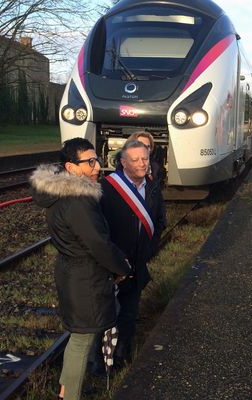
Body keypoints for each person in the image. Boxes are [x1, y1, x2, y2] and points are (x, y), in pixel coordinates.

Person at [30, 138, 131, 400]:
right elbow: (98, 243)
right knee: (82, 340)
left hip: (73, 273)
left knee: (78, 335)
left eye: (96, 159)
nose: (97, 166)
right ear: (71, 167)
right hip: (86, 279)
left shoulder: (60, 195)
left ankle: (65, 389)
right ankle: (70, 396)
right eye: (90, 161)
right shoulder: (78, 201)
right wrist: (122, 266)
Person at [100, 139, 166, 371]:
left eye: (145, 159)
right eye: (136, 160)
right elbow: (100, 230)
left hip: (138, 264)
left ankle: (122, 355)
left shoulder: (153, 187)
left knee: (129, 313)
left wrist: (148, 251)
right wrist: (114, 261)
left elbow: (159, 223)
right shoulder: (107, 188)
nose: (142, 164)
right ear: (123, 163)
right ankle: (100, 362)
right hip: (113, 265)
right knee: (107, 315)